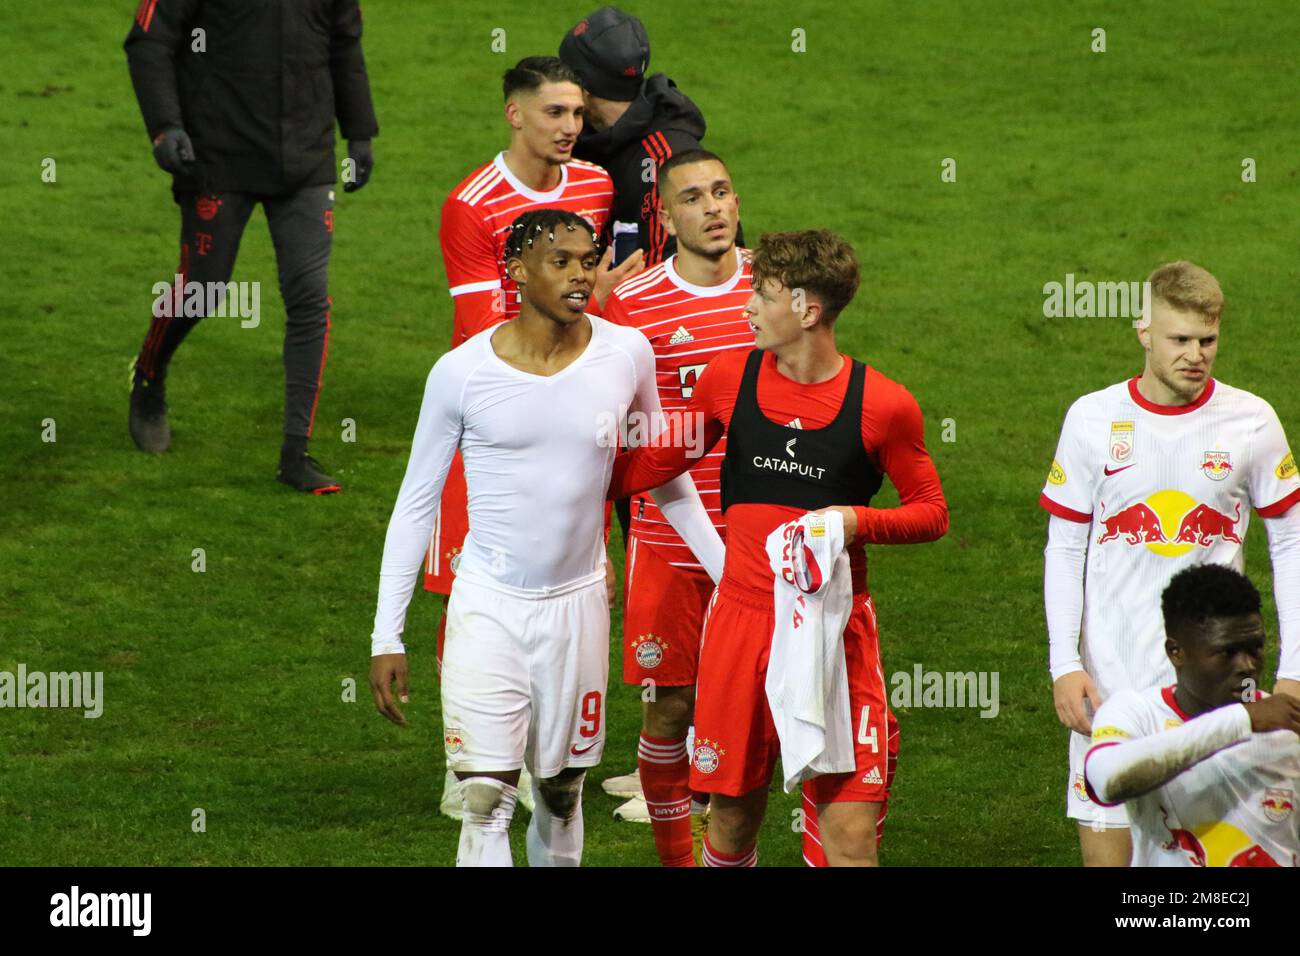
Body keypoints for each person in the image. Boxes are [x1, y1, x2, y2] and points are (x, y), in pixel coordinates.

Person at [368, 209, 723, 867]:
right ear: (517, 271)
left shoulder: (627, 353)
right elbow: (415, 506)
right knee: (485, 799)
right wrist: (387, 636)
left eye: (587, 259)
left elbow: (664, 479)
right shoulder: (461, 373)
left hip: (578, 609)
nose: (581, 274)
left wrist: (730, 579)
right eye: (560, 261)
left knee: (561, 795)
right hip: (488, 605)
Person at [608, 229, 948, 866]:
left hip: (834, 634)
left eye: (761, 295)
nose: (746, 307)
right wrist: (566, 475)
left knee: (849, 837)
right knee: (732, 822)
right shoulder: (728, 377)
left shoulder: (884, 405)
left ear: (806, 310)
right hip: (740, 627)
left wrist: (855, 520)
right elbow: (657, 460)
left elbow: (931, 513)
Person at [427, 56, 643, 817]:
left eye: (577, 114)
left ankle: (543, 755)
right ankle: (467, 764)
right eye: (553, 113)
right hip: (494, 416)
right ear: (514, 114)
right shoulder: (471, 205)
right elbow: (480, 329)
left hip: (573, 410)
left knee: (568, 566)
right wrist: (596, 302)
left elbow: (589, 303)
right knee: (472, 581)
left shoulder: (594, 185)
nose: (569, 129)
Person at [1041, 260, 1300, 866]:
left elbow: (1291, 545)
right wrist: (1064, 664)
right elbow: (1065, 547)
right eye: (1179, 340)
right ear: (1144, 332)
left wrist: (1293, 670)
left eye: (1207, 340)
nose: (1196, 355)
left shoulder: (1252, 421)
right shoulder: (1092, 420)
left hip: (1216, 697)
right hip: (1109, 689)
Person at [124, 0, 378, 493]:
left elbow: (344, 42)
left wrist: (360, 132)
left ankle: (294, 452)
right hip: (216, 152)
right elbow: (149, 41)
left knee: (309, 298)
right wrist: (165, 125)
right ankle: (149, 376)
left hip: (305, 157)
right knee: (204, 288)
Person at [600, 149, 753, 864]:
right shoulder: (633, 307)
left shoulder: (772, 290)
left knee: (757, 713)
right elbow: (623, 438)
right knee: (672, 707)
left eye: (722, 192)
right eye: (693, 197)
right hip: (667, 541)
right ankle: (676, 859)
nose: (713, 207)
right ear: (666, 215)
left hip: (761, 535)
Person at [1083, 564, 1300, 867]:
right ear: (1176, 652)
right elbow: (1107, 780)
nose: (1248, 666)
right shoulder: (1136, 713)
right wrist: (1243, 720)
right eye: (1227, 652)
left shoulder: (1289, 728)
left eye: (1256, 648)